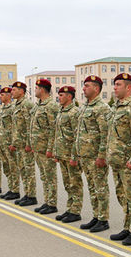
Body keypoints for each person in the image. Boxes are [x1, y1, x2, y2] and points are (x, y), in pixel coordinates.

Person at [107, 73, 131, 246]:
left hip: (129, 162)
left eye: (118, 85)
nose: (115, 87)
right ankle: (127, 227)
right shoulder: (117, 107)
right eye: (114, 84)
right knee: (122, 195)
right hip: (117, 161)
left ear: (128, 87)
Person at [72, 75, 111, 232]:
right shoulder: (84, 107)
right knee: (92, 188)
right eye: (84, 85)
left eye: (87, 85)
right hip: (85, 156)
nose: (83, 88)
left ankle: (103, 219)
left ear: (96, 88)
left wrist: (101, 156)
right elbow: (79, 133)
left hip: (96, 157)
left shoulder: (102, 108)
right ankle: (96, 216)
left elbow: (105, 134)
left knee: (101, 188)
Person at [28, 79, 60, 214]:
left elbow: (54, 129)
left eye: (36, 88)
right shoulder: (38, 106)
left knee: (50, 176)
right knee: (44, 176)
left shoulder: (51, 106)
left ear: (42, 89)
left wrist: (50, 149)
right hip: (38, 147)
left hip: (46, 148)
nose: (34, 91)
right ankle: (47, 201)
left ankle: (52, 204)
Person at [53, 86, 83, 223]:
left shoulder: (74, 112)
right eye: (59, 95)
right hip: (62, 154)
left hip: (71, 156)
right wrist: (56, 152)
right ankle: (70, 208)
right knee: (67, 184)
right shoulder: (61, 111)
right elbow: (58, 134)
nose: (59, 97)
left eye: (62, 95)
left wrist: (74, 156)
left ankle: (76, 211)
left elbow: (77, 136)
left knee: (75, 183)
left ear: (69, 97)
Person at [10, 82, 38, 206]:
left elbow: (29, 126)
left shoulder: (27, 104)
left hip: (25, 145)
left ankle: (32, 196)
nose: (12, 92)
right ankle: (27, 194)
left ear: (22, 91)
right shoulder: (16, 105)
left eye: (14, 90)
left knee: (29, 170)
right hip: (19, 144)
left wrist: (29, 144)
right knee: (23, 170)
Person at [0, 87, 20, 200]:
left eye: (2, 95)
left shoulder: (12, 108)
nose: (0, 97)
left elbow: (15, 127)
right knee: (7, 167)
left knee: (13, 167)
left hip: (9, 142)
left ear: (8, 96)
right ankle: (11, 189)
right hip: (2, 142)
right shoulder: (2, 109)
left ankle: (15, 190)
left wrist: (13, 142)